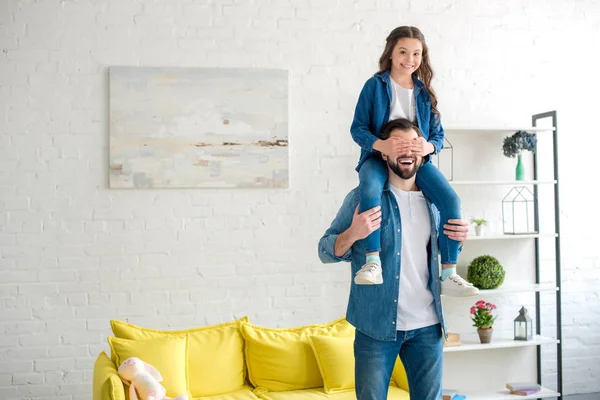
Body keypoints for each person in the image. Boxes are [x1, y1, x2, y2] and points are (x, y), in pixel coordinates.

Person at [318, 118, 471, 400]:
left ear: (424, 151)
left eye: (413, 144)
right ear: (383, 153)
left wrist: (458, 241)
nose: (407, 151)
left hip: (428, 327)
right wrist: (353, 233)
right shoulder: (362, 199)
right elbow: (325, 250)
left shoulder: (436, 202)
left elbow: (437, 254)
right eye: (398, 144)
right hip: (376, 327)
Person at [350, 25, 477, 296]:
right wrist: (380, 144)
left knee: (451, 201)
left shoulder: (423, 92)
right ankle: (372, 262)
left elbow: (439, 136)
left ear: (423, 56)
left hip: (416, 161)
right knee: (370, 190)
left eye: (416, 54)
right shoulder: (375, 86)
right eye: (403, 52)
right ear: (391, 53)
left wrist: (427, 145)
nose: (410, 59)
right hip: (378, 156)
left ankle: (449, 273)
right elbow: (357, 128)